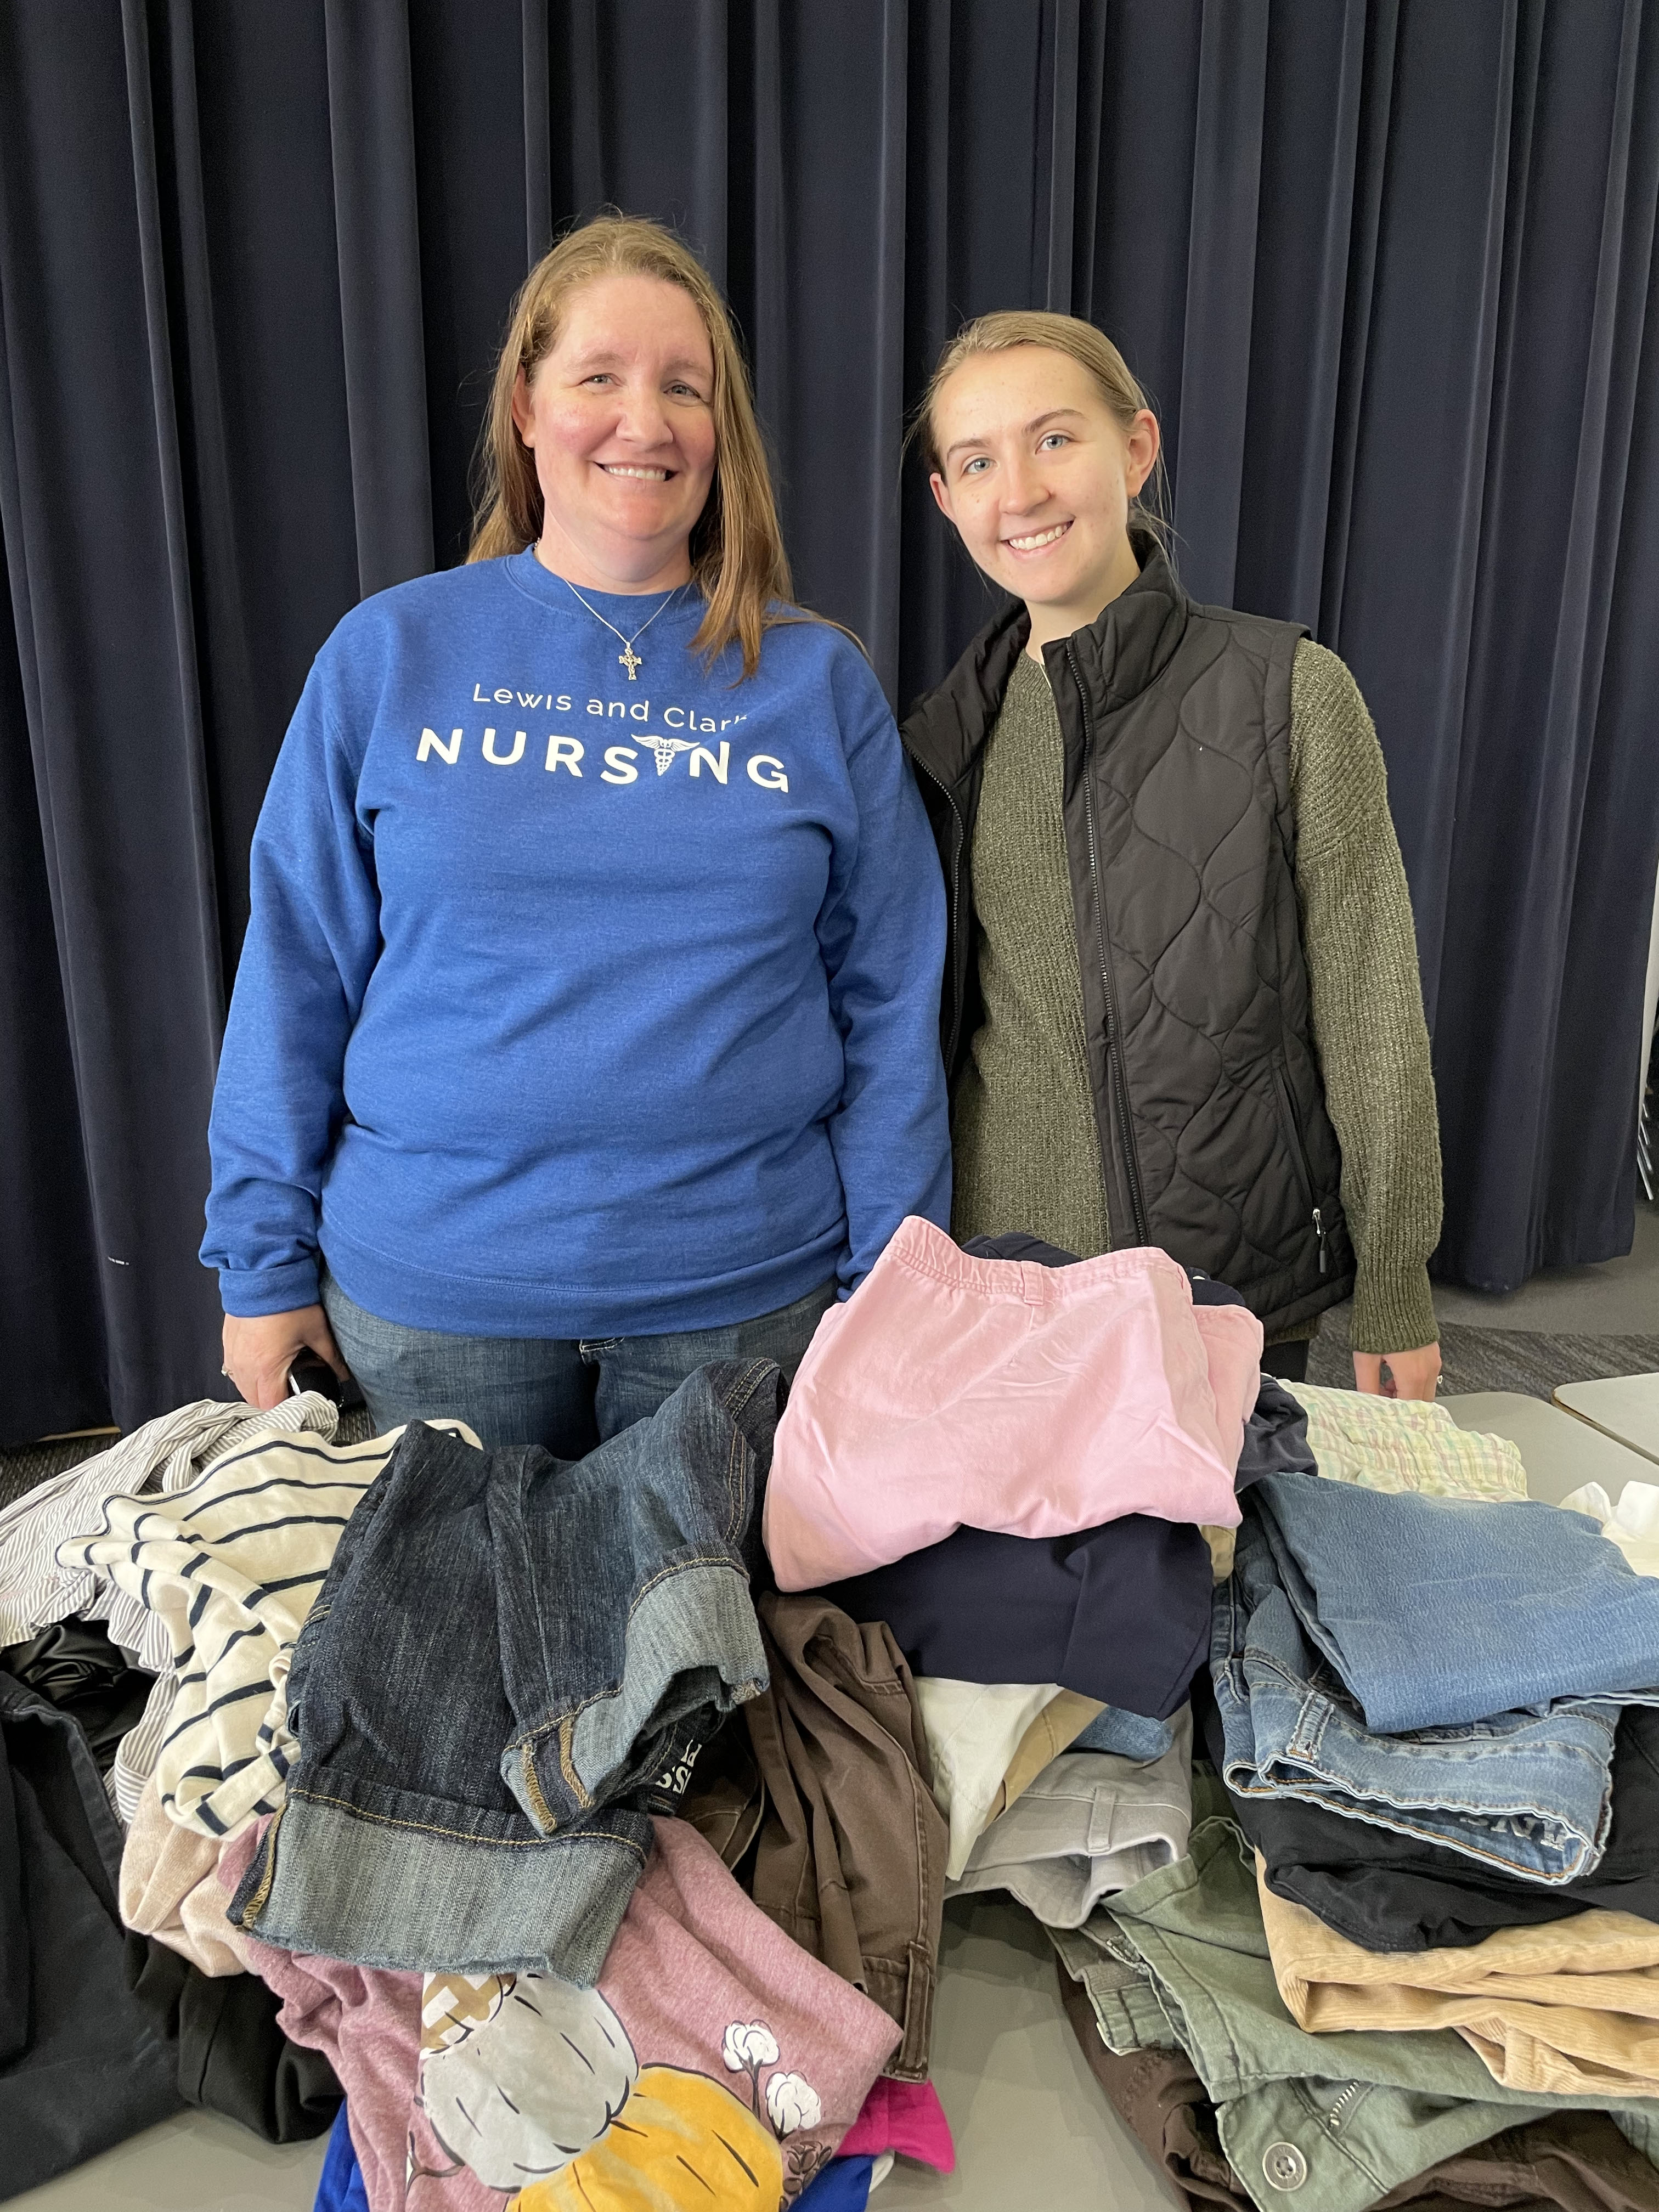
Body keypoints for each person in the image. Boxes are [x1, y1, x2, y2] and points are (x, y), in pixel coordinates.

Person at [202, 215, 951, 1448]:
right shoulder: (391, 654)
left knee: (711, 1644)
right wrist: (260, 1263)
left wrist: (893, 1281)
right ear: (528, 409)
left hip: (747, 1302)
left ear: (723, 432)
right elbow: (296, 971)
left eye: (683, 387)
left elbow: (889, 1003)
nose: (644, 422)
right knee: (457, 1649)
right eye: (598, 378)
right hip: (434, 1303)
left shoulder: (817, 684)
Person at [903, 310, 1442, 1396]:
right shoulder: (942, 738)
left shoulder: (1289, 695)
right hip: (1000, 1279)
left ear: (1135, 448)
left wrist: (1396, 1280)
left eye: (1055, 438)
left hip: (1214, 1282)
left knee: (1218, 1565)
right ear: (947, 499)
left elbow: (1371, 1010)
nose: (1020, 490)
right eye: (978, 459)